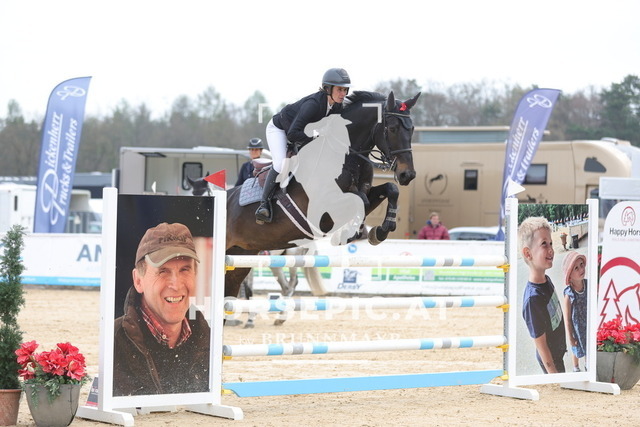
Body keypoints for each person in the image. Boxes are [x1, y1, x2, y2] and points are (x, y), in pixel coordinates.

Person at [113, 222, 210, 395]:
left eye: (185, 270)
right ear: (138, 281)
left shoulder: (208, 338)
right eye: (163, 271)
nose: (176, 285)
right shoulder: (114, 342)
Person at [255, 67, 352, 224]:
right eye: (339, 89)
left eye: (345, 90)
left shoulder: (336, 106)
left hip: (301, 133)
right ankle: (263, 205)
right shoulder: (313, 104)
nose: (343, 94)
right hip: (280, 130)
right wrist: (318, 133)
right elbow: (293, 134)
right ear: (328, 88)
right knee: (281, 164)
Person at [519, 216, 566, 374]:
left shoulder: (546, 280)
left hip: (558, 354)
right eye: (544, 244)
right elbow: (542, 347)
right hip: (551, 362)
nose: (551, 249)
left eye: (551, 243)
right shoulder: (533, 300)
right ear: (528, 253)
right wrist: (554, 376)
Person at [561, 251, 587, 372]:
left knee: (588, 347)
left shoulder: (588, 285)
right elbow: (567, 319)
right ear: (569, 275)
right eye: (576, 268)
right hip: (577, 329)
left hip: (588, 325)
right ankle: (576, 367)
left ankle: (588, 365)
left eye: (581, 265)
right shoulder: (569, 294)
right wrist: (570, 337)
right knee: (576, 348)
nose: (581, 269)